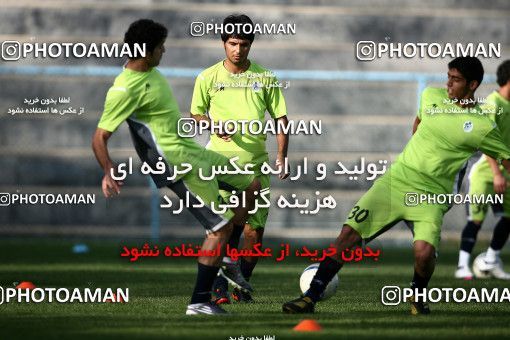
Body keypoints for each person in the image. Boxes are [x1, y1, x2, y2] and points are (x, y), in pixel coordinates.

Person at [282, 57, 510, 315]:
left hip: (432, 196)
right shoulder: (431, 96)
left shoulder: (482, 125)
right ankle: (309, 298)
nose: (448, 83)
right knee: (348, 235)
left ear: (473, 85)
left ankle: (417, 296)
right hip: (397, 181)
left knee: (424, 254)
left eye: (455, 80)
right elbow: (418, 123)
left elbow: (506, 158)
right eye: (448, 76)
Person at [91, 19, 260, 315]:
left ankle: (229, 260)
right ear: (147, 51)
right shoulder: (123, 89)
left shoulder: (152, 73)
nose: (164, 50)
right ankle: (199, 301)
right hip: (176, 166)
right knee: (218, 229)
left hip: (194, 153)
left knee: (252, 186)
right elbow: (100, 137)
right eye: (160, 47)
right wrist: (107, 170)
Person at [190, 14, 289, 304]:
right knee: (225, 225)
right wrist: (211, 124)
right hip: (220, 164)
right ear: (223, 43)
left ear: (250, 45)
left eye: (244, 44)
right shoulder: (207, 77)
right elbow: (196, 112)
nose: (238, 50)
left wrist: (282, 155)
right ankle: (219, 287)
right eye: (232, 43)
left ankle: (240, 282)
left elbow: (281, 118)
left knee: (253, 233)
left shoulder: (265, 77)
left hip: (257, 164)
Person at [456, 60, 510, 280]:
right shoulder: (492, 104)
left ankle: (490, 260)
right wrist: (496, 173)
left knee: (507, 218)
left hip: (504, 174)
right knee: (475, 221)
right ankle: (462, 266)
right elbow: (484, 140)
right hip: (486, 174)